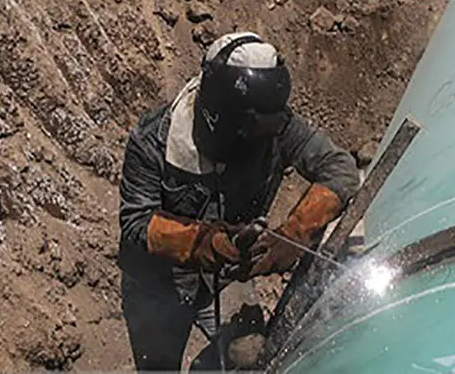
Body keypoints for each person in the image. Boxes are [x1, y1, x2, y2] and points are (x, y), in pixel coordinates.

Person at [117, 32, 361, 371]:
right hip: (159, 285)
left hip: (227, 280)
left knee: (247, 357)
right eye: (251, 131)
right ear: (220, 116)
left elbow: (340, 169)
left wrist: (292, 235)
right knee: (157, 367)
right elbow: (136, 223)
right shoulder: (152, 142)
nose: (259, 141)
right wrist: (206, 242)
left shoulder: (276, 126)